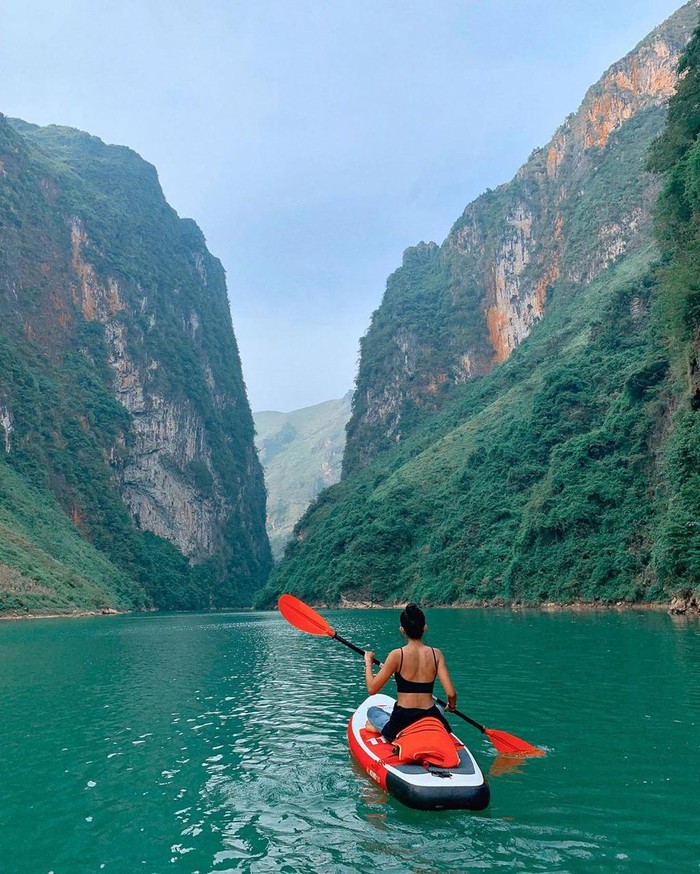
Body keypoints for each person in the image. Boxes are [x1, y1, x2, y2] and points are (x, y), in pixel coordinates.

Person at [363, 603, 457, 741]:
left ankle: (382, 728)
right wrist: (452, 705)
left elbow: (372, 689)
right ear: (425, 628)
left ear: (402, 630)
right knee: (439, 709)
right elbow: (451, 694)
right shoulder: (436, 654)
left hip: (403, 721)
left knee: (372, 711)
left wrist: (368, 663)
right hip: (429, 716)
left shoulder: (396, 655)